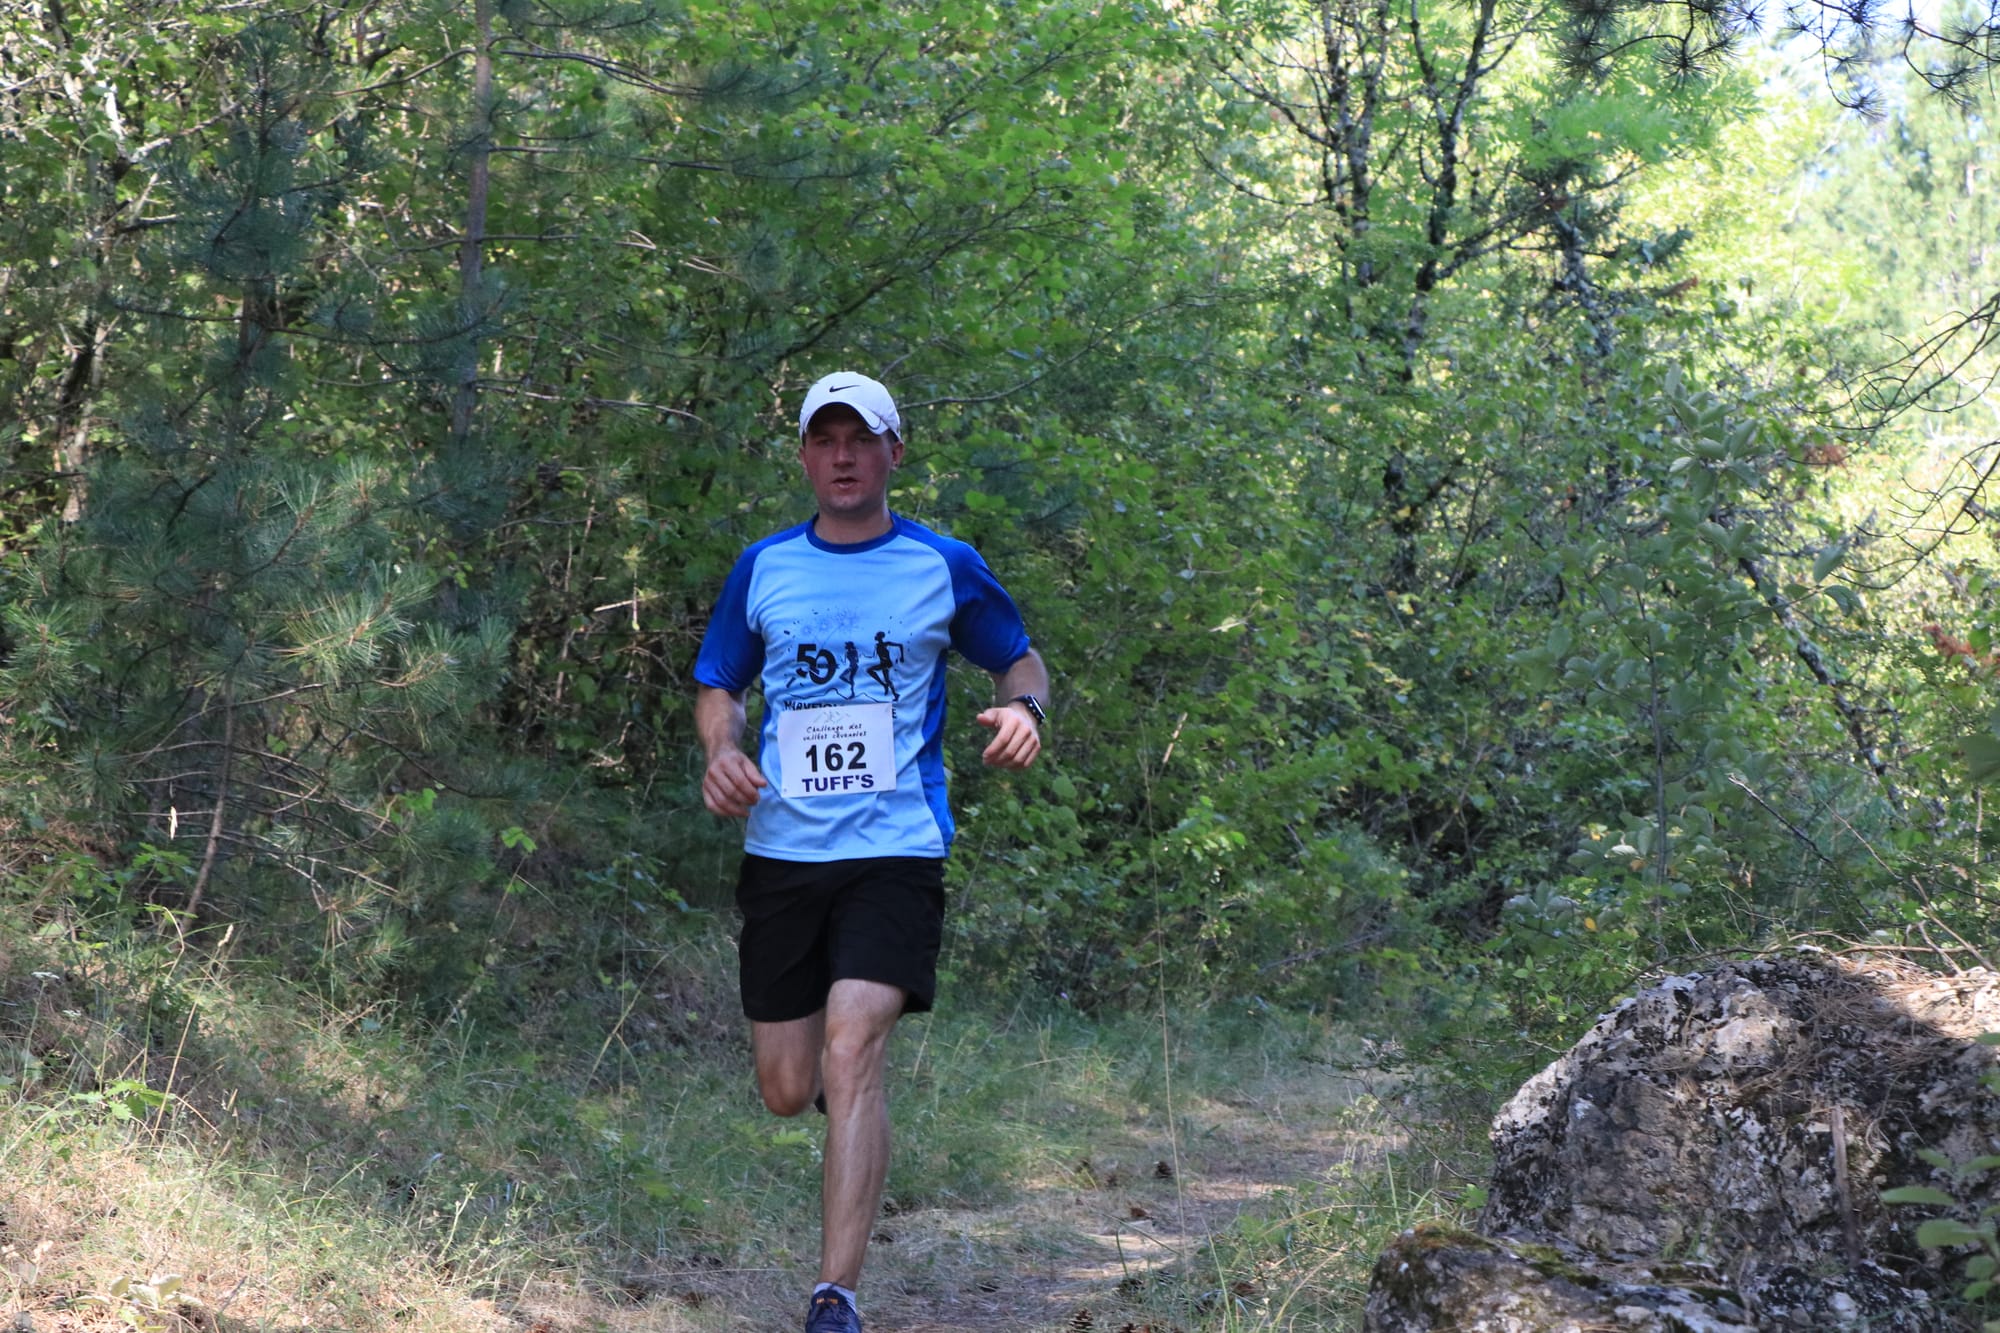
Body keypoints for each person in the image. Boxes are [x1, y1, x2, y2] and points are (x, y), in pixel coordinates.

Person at [692, 371, 1049, 1333]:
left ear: (896, 451)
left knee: (855, 1042)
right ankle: (845, 1111)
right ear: (806, 455)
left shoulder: (942, 564)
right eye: (825, 439)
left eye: (862, 438)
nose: (843, 456)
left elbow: (1021, 655)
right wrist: (722, 750)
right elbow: (718, 681)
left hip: (896, 847)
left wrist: (1025, 707)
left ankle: (834, 1297)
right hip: (782, 853)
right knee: (787, 1086)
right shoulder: (765, 566)